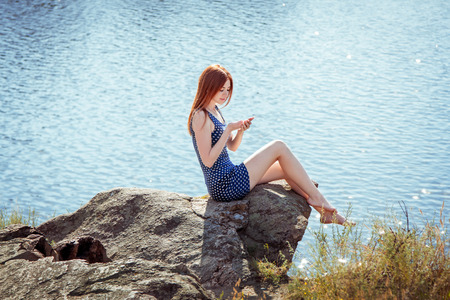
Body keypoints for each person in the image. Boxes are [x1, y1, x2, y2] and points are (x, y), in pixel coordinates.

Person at [188, 64, 351, 225]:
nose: (225, 94)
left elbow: (232, 147)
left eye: (228, 89)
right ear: (208, 86)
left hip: (230, 175)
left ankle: (324, 212)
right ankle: (320, 201)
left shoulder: (215, 110)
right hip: (224, 186)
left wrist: (240, 131)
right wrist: (228, 128)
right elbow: (208, 161)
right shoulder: (201, 116)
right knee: (278, 146)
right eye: (221, 89)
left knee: (286, 169)